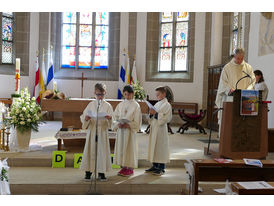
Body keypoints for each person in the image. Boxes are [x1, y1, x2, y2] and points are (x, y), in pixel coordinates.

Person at [215, 48, 256, 135]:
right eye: (238, 58)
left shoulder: (248, 68)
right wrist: (229, 89)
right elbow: (223, 83)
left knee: (243, 123)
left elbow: (253, 81)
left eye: (241, 58)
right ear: (234, 56)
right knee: (229, 122)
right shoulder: (227, 68)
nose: (239, 61)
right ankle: (226, 142)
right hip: (230, 99)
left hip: (245, 99)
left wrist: (247, 91)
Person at [80, 83, 113, 181]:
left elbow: (112, 120)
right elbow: (83, 117)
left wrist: (109, 118)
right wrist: (86, 119)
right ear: (94, 93)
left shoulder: (108, 106)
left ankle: (101, 172)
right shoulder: (91, 104)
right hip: (92, 131)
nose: (100, 97)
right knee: (90, 151)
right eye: (98, 94)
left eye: (102, 95)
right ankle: (88, 172)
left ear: (105, 93)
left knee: (101, 153)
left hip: (102, 132)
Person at [112, 85, 142, 177]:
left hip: (129, 132)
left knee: (129, 149)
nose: (127, 96)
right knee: (122, 148)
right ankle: (124, 166)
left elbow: (137, 121)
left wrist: (128, 124)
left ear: (132, 94)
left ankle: (130, 168)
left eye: (129, 94)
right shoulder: (120, 105)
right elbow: (115, 117)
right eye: (125, 94)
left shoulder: (136, 105)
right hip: (121, 130)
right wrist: (118, 124)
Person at [145, 86, 172, 176]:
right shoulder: (157, 104)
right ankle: (155, 165)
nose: (157, 96)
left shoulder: (167, 105)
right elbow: (152, 116)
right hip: (154, 128)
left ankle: (161, 168)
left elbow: (167, 118)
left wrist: (155, 114)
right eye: (156, 95)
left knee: (160, 148)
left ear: (164, 94)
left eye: (158, 94)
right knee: (154, 147)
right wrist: (151, 114)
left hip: (161, 129)